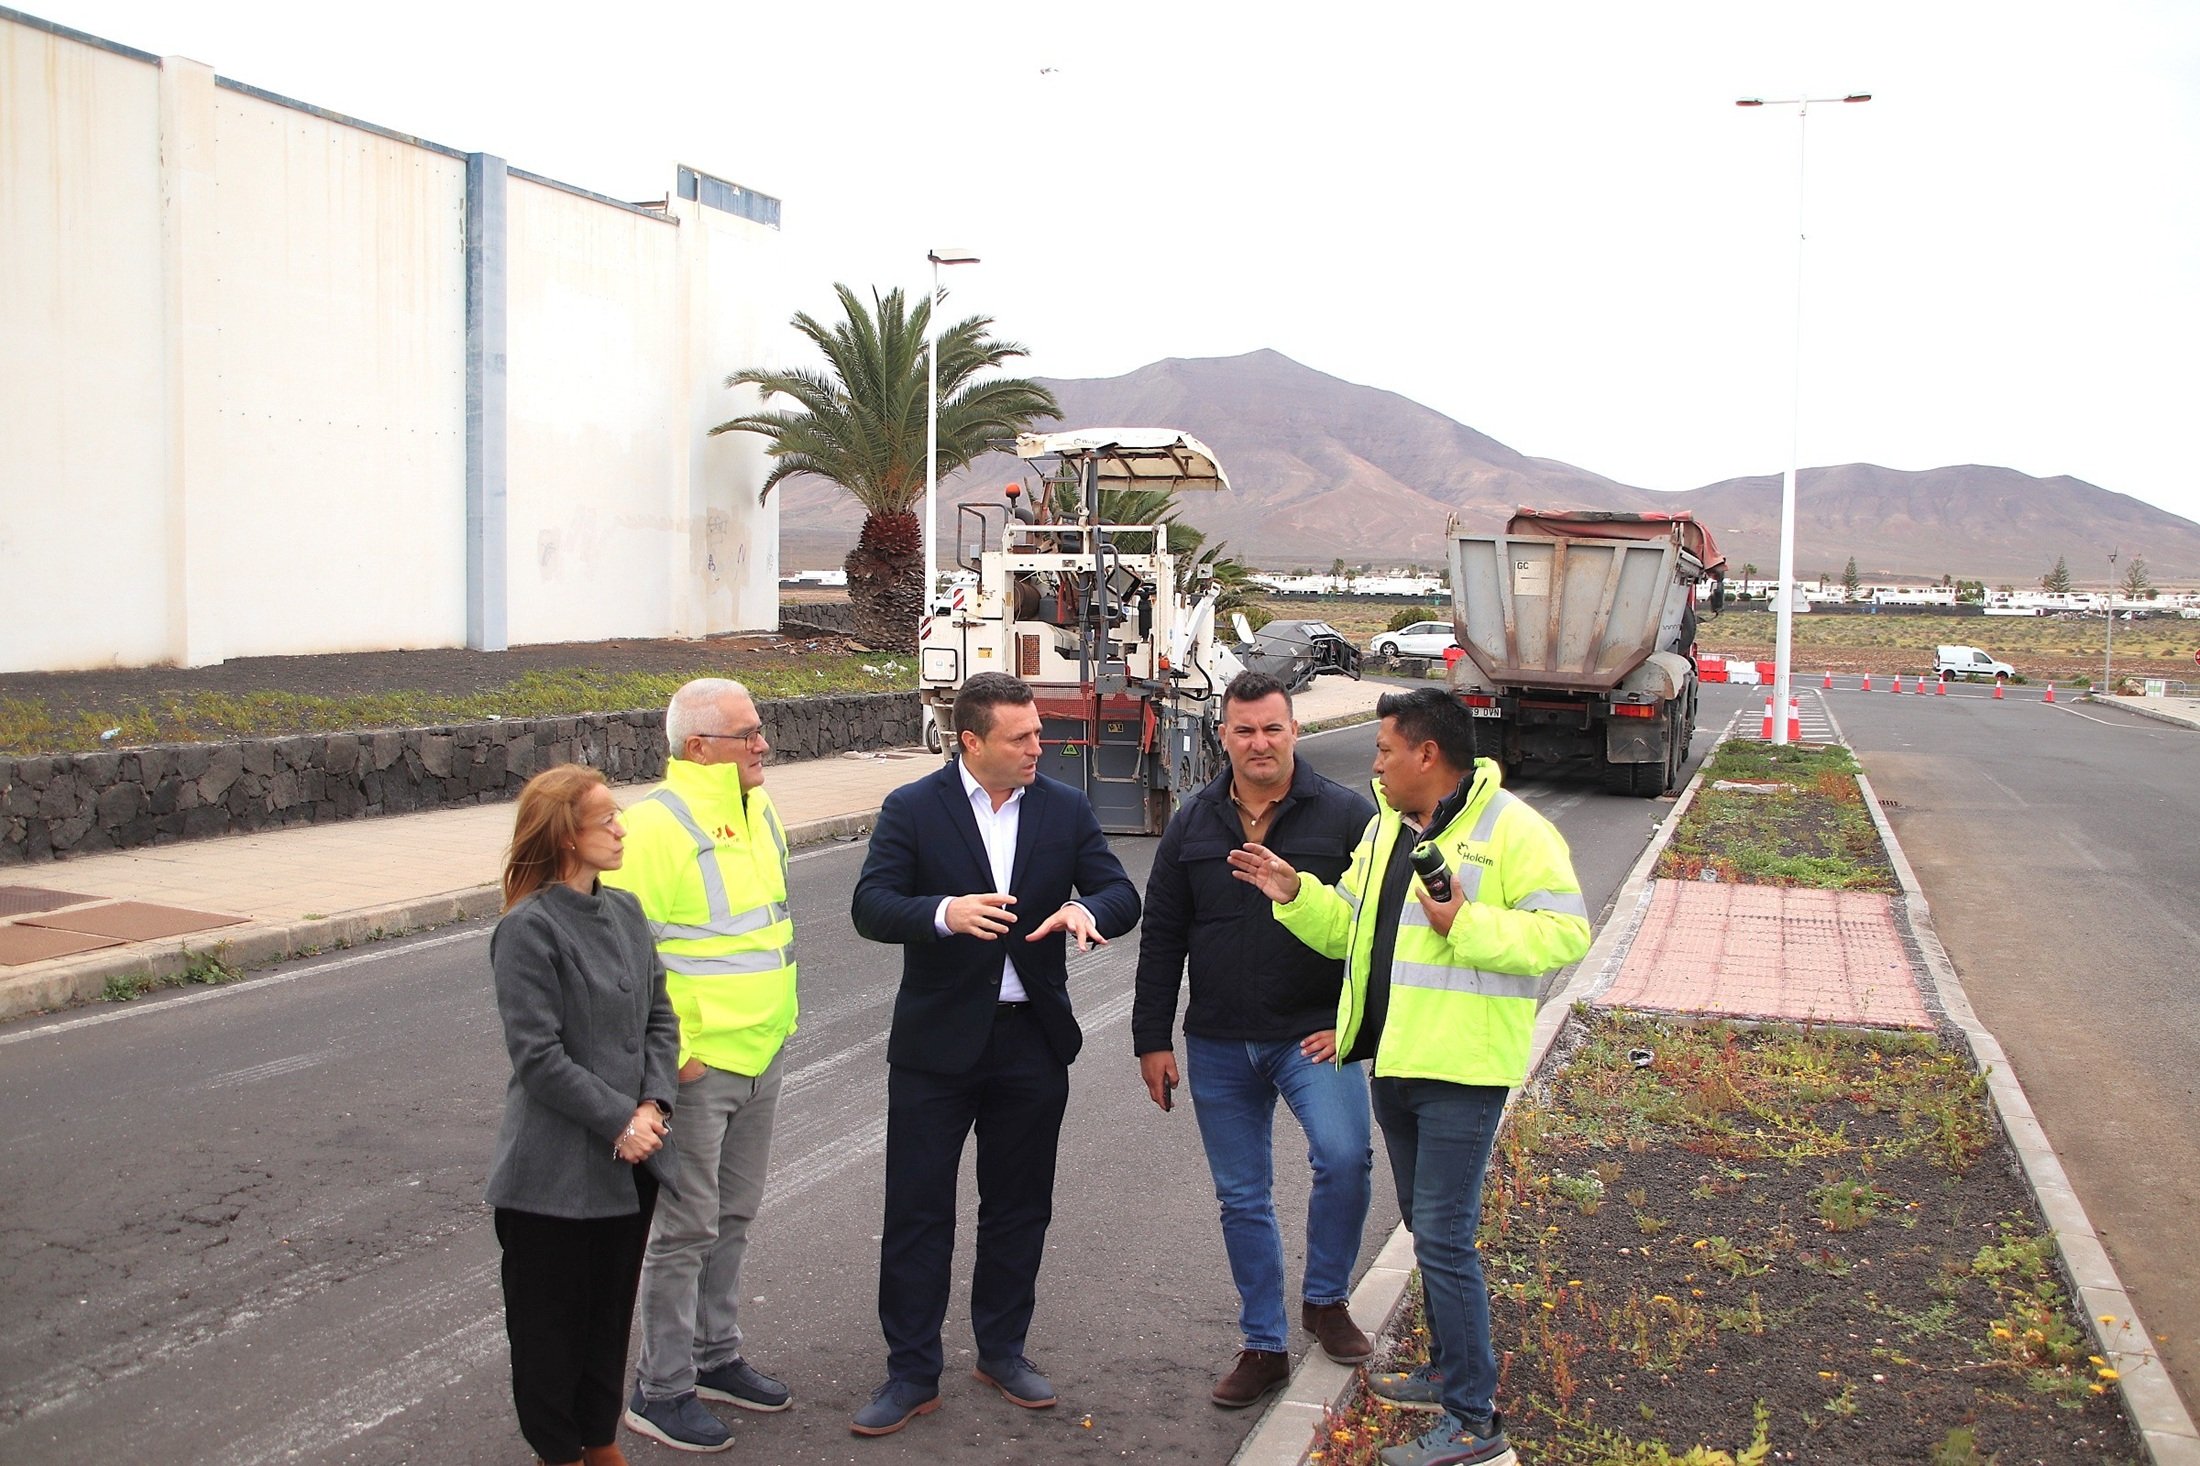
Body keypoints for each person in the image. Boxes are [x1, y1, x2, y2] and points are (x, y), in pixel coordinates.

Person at [1229, 687, 1591, 1466]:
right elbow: (1349, 931)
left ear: (1427, 755)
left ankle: (1475, 1421)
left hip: (1463, 1069)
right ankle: (1447, 1371)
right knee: (1431, 1233)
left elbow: (1566, 935)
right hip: (1396, 1061)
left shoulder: (1515, 830)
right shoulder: (1388, 828)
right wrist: (1295, 894)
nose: (1377, 763)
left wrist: (1467, 922)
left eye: (1386, 749)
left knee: (1449, 1238)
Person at [847, 672, 1142, 1437]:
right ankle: (912, 1372)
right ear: (971, 741)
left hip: (1030, 1041)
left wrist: (1085, 907)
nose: (1039, 747)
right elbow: (871, 906)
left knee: (1018, 1208)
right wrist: (945, 912)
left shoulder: (1064, 808)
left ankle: (1001, 1350)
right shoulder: (913, 808)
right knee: (918, 1213)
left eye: (1038, 732)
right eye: (1022, 738)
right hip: (936, 1046)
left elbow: (1121, 894)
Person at [1131, 672, 1379, 1408]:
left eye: (1272, 728)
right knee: (1243, 1196)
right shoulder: (1193, 821)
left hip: (1312, 1035)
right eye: (1244, 730)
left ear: (1294, 731)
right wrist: (1152, 1039)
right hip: (1218, 1042)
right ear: (1224, 736)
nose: (1259, 742)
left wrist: (1355, 1020)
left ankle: (1326, 1301)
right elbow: (1163, 936)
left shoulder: (1343, 816)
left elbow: (1375, 933)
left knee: (1345, 1157)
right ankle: (1263, 1344)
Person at [605, 678, 798, 1454]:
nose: (763, 744)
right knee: (685, 1229)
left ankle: (717, 1358)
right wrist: (670, 1060)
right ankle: (662, 1386)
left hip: (761, 1053)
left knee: (734, 1217)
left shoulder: (760, 809)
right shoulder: (653, 827)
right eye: (747, 734)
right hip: (699, 1067)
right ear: (698, 749)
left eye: (760, 730)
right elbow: (621, 957)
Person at [487, 764, 680, 1466]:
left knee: (605, 1324)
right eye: (606, 820)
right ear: (567, 836)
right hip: (551, 1179)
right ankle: (559, 1452)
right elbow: (537, 1056)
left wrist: (655, 1104)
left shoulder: (624, 911)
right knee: (548, 1335)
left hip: (630, 1168)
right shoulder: (527, 930)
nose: (621, 829)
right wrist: (620, 1121)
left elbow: (661, 1015)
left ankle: (599, 1441)